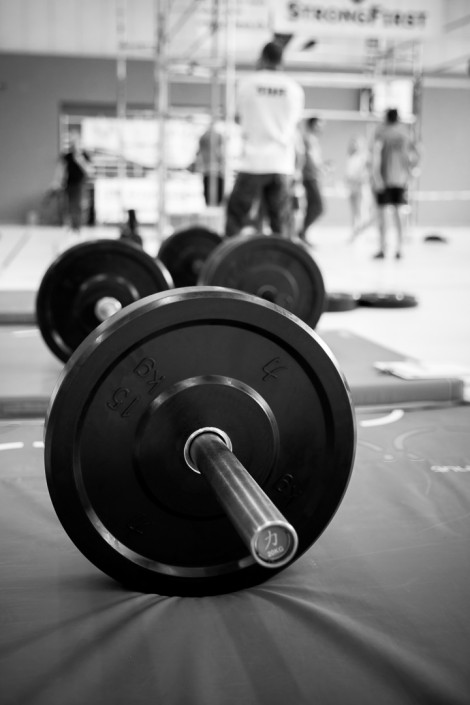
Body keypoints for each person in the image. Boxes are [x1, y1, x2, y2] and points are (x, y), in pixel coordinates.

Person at [225, 41, 305, 238]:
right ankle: (284, 256)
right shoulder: (294, 89)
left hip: (252, 162)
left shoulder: (247, 84)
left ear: (262, 58)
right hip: (281, 163)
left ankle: (230, 254)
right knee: (282, 225)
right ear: (282, 61)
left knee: (236, 217)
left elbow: (237, 118)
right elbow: (294, 125)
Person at [370, 108, 418, 259]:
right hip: (400, 180)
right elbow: (416, 153)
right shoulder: (405, 133)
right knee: (398, 214)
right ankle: (399, 248)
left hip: (384, 180)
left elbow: (375, 155)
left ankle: (383, 248)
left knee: (383, 215)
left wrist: (376, 177)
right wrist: (411, 172)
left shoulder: (381, 132)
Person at [56, 129, 93, 233]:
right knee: (69, 205)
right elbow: (61, 169)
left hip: (79, 184)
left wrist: (79, 159)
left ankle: (78, 226)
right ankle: (72, 226)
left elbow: (89, 170)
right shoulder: (67, 156)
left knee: (78, 205)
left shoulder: (84, 155)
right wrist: (58, 182)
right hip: (69, 183)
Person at [298, 117, 326, 241]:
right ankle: (301, 232)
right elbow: (310, 158)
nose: (321, 128)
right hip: (309, 177)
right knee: (318, 207)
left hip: (313, 176)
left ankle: (302, 234)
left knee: (312, 206)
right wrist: (320, 169)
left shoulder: (313, 140)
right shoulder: (308, 139)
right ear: (313, 125)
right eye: (319, 125)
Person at [344, 135, 375, 241]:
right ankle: (354, 233)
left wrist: (362, 178)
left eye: (356, 143)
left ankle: (360, 233)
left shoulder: (365, 157)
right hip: (352, 187)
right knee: (354, 213)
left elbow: (370, 171)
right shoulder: (350, 157)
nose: (354, 145)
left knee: (362, 212)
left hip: (361, 187)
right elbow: (348, 173)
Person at [194, 122, 225, 206]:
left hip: (212, 171)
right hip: (213, 171)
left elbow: (198, 154)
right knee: (215, 199)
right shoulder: (208, 137)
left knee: (212, 199)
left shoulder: (204, 137)